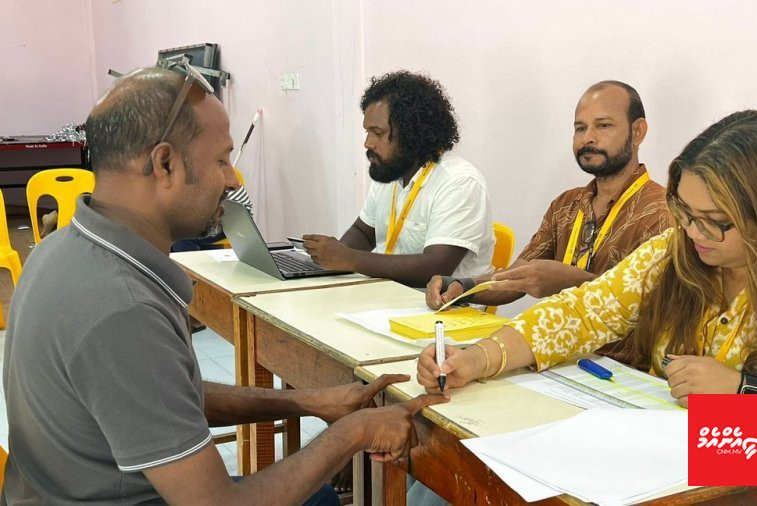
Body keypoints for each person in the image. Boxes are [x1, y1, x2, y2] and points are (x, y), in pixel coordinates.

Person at [2, 65, 444, 505]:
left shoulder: (59, 249)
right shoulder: (124, 310)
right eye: (221, 161)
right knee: (320, 498)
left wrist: (308, 402)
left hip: (56, 491)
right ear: (164, 164)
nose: (232, 180)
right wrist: (354, 433)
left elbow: (169, 397)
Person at [418, 110, 757, 426]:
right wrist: (475, 359)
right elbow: (583, 313)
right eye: (684, 212)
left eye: (714, 221)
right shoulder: (672, 252)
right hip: (671, 447)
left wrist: (745, 390)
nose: (693, 231)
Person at [426, 80, 670, 365]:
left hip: (623, 370)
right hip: (556, 359)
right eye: (580, 128)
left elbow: (660, 314)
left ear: (637, 131)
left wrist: (573, 282)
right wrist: (462, 286)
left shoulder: (663, 213)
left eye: (603, 126)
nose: (588, 138)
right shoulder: (567, 205)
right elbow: (517, 278)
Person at [303, 71, 494, 288]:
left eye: (377, 133)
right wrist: (332, 257)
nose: (368, 143)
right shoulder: (390, 172)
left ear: (412, 133)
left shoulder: (459, 182)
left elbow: (436, 268)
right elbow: (363, 233)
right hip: (389, 296)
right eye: (367, 132)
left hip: (443, 306)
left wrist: (349, 259)